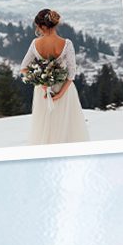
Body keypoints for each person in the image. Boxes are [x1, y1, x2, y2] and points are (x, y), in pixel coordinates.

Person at [19, 8, 90, 145]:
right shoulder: (67, 44)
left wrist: (42, 82)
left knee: (45, 127)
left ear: (42, 26)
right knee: (67, 128)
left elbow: (23, 68)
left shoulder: (35, 44)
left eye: (37, 26)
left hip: (43, 91)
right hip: (64, 90)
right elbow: (71, 74)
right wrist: (60, 94)